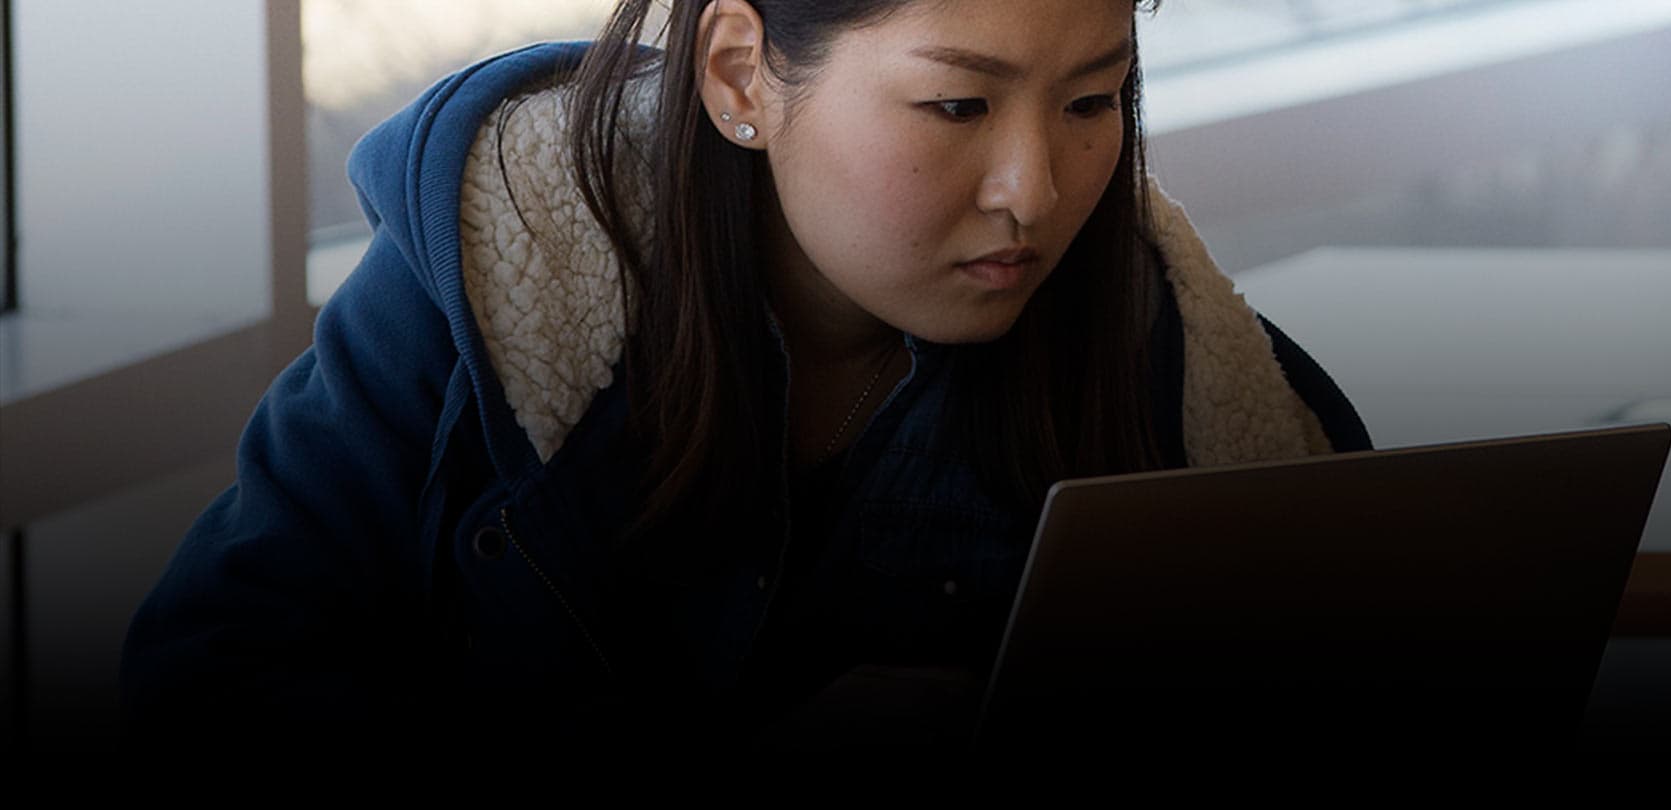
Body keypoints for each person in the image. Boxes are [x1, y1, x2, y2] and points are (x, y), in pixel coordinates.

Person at [121, 0, 1368, 756]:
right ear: (738, 77)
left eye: (1093, 99)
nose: (1033, 192)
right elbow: (204, 689)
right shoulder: (493, 281)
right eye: (953, 107)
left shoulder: (1181, 364)